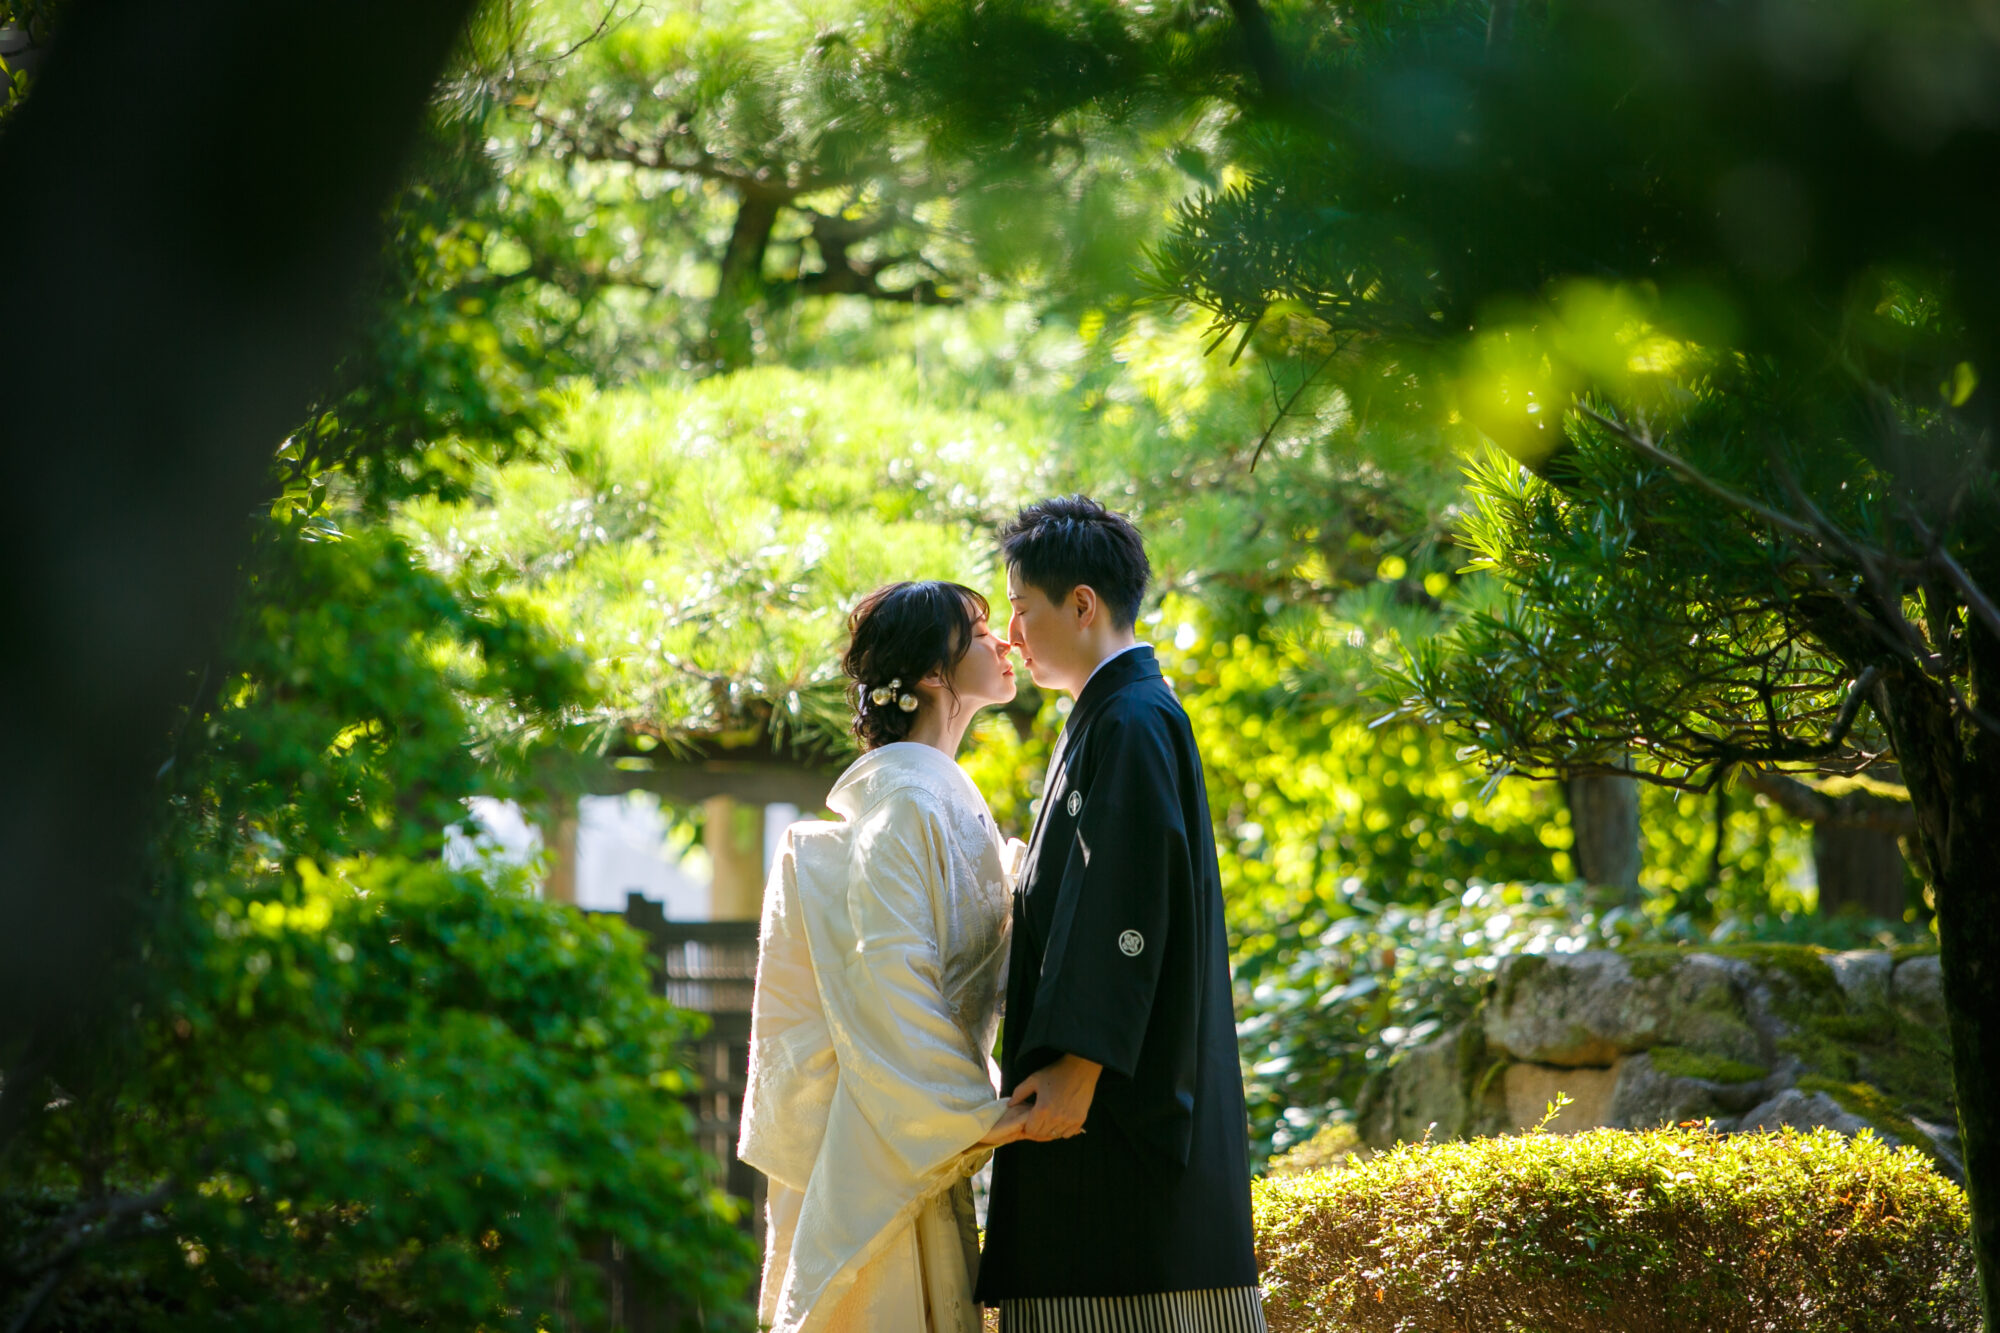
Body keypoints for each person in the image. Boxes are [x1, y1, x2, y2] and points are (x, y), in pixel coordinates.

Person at [976, 496, 1265, 1332]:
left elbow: (1129, 903)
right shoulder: (1107, 714)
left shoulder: (1133, 718)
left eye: (1022, 610)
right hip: (1105, 1093)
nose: (1012, 636)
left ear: (1082, 604)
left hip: (1116, 1100)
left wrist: (1083, 1064)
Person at [739, 580, 1034, 1333]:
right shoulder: (905, 802)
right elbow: (886, 975)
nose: (1003, 640)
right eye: (977, 629)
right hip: (893, 1130)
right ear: (934, 673)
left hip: (915, 1125)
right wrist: (976, 1113)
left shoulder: (932, 794)